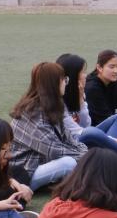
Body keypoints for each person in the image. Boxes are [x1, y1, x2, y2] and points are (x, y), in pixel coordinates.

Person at [56, 53, 117, 168]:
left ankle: (115, 154)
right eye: (82, 72)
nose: (116, 70)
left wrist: (81, 101)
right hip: (78, 140)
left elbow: (86, 124)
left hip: (94, 135)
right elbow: (82, 131)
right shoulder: (89, 88)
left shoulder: (111, 84)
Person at [9, 62, 88, 191]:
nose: (66, 83)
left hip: (41, 162)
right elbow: (54, 150)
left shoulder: (51, 105)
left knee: (79, 157)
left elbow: (69, 139)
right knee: (68, 163)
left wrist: (86, 152)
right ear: (53, 83)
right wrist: (88, 157)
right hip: (24, 173)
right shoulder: (32, 112)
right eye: (64, 79)